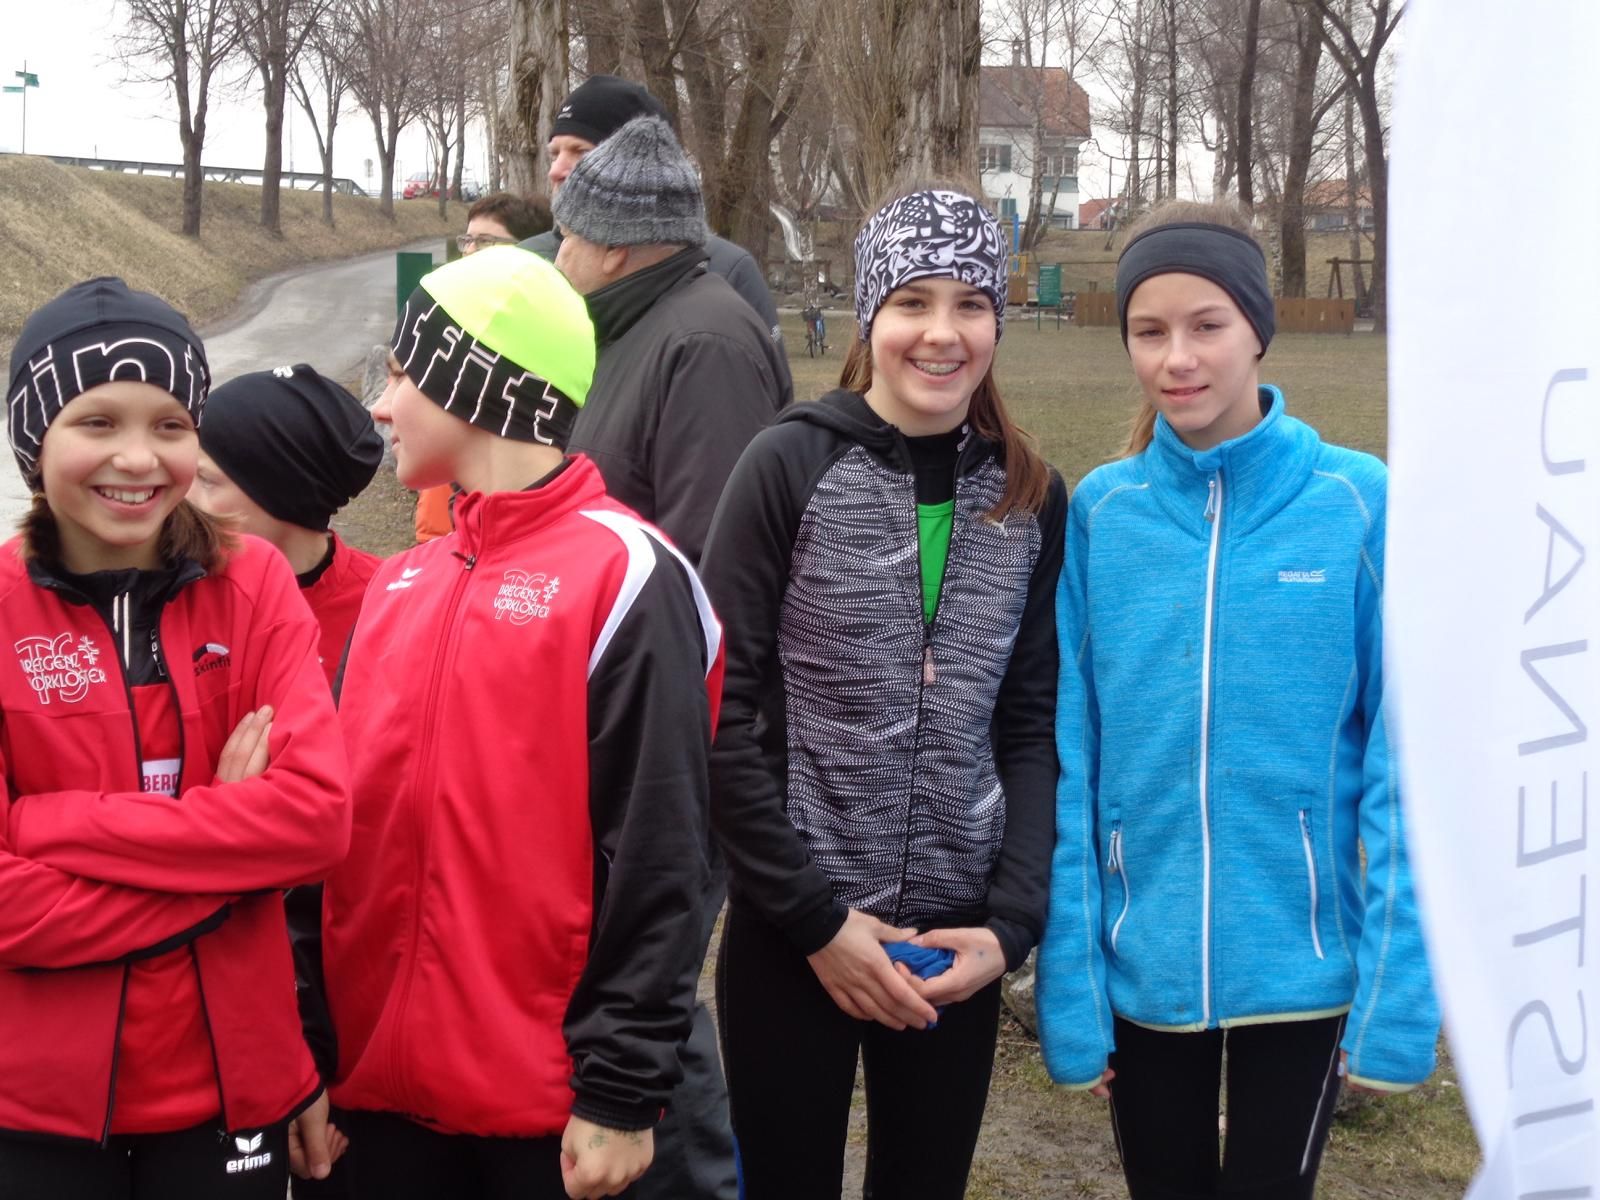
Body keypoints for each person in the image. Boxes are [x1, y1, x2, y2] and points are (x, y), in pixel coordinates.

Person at [1034, 200, 1439, 1200]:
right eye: (1149, 330)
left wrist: (1394, 1004)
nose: (1177, 358)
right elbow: (1075, 762)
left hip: (1302, 974)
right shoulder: (1103, 515)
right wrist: (1073, 991)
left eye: (1206, 325)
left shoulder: (1357, 503)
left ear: (1257, 327)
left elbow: (1407, 769)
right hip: (1141, 975)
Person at [312, 246, 722, 1200]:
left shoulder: (625, 576)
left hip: (548, 1119)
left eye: (403, 373)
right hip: (370, 1102)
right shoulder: (400, 583)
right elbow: (334, 837)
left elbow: (663, 855)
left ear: (475, 383)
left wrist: (622, 1090)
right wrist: (307, 1052)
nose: (382, 405)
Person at [701, 185, 1065, 1199]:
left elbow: (1030, 724)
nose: (941, 333)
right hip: (794, 932)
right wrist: (815, 920)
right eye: (912, 302)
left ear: (998, 320)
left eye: (970, 303)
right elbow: (716, 711)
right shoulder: (787, 464)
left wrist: (1008, 926)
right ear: (870, 316)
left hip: (955, 944)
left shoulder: (1031, 496)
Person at [0, 277, 352, 1198]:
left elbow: (317, 822)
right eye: (96, 422)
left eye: (170, 425)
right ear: (35, 442)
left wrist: (45, 825)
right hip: (32, 1103)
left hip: (232, 1087)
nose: (138, 457)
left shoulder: (255, 582)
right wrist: (231, 854)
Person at [549, 111, 788, 1200]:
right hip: (610, 708)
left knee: (653, 983)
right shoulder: (630, 323)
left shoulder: (705, 341)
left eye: (569, 233)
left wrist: (679, 735)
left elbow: (709, 566)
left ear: (616, 244)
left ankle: (696, 1180)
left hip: (668, 730)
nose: (559, 252)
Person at [527, 73, 788, 356]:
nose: (556, 170)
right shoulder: (526, 262)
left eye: (580, 152)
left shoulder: (726, 269)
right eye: (555, 153)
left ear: (638, 168)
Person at [190, 363, 385, 685]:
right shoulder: (176, 590)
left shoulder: (386, 603)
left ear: (281, 495)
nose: (182, 496)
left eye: (206, 480)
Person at [417, 192, 557, 543]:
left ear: (530, 251)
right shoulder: (452, 320)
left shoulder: (547, 337)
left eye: (485, 242)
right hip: (446, 524)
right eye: (467, 240)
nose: (469, 251)